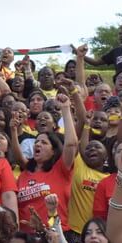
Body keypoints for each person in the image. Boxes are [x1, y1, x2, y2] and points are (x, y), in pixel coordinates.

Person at [16, 98, 78, 232]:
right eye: (36, 142)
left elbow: (71, 144)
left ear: (54, 151)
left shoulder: (61, 169)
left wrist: (66, 109)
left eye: (44, 143)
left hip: (54, 236)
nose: (37, 144)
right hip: (27, 242)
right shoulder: (23, 175)